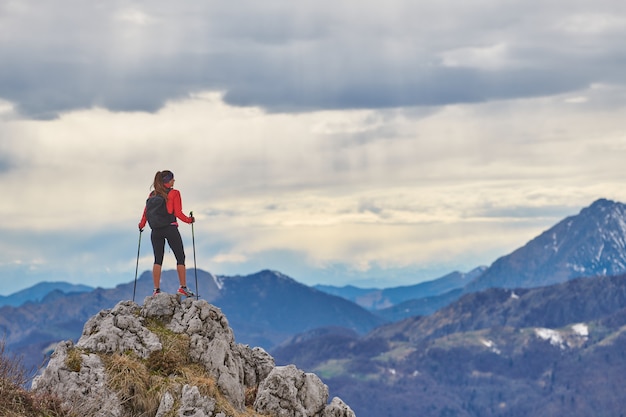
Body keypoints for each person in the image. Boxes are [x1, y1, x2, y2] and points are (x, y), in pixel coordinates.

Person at [138, 170, 195, 297]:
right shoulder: (174, 193)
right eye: (172, 179)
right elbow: (178, 213)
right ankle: (183, 288)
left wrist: (141, 225)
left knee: (158, 259)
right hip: (170, 228)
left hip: (155, 231)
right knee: (180, 257)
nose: (174, 181)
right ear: (168, 181)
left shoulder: (151, 195)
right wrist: (189, 220)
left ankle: (156, 290)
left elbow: (145, 214)